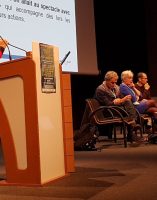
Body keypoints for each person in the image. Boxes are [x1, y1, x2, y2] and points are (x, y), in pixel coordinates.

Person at [94, 71, 141, 142]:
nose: (114, 84)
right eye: (112, 82)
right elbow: (108, 104)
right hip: (106, 111)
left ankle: (132, 129)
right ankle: (132, 128)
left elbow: (122, 97)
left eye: (115, 82)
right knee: (127, 108)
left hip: (116, 109)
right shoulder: (100, 90)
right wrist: (121, 100)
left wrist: (123, 99)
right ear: (106, 80)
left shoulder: (115, 87)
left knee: (128, 102)